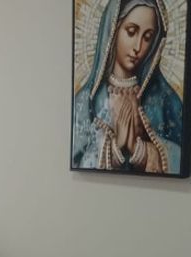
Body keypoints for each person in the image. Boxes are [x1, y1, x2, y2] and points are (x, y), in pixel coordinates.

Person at [72, 0, 184, 174]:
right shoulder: (86, 100)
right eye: (131, 32)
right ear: (113, 30)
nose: (138, 47)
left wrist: (140, 151)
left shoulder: (164, 99)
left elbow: (182, 157)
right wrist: (115, 146)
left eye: (147, 37)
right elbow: (76, 161)